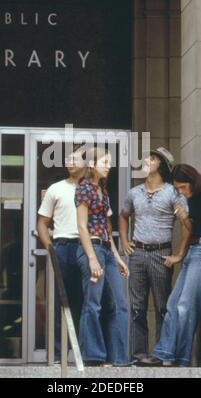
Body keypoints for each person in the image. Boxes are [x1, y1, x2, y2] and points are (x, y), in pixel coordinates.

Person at [152, 164, 201, 367]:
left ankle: (182, 359)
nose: (180, 191)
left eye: (182, 187)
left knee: (185, 306)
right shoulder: (190, 198)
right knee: (172, 305)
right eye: (177, 188)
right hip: (193, 251)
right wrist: (180, 252)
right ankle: (165, 354)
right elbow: (192, 228)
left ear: (192, 181)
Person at [119, 147, 190, 365]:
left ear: (162, 165)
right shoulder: (134, 193)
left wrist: (179, 254)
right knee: (137, 308)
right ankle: (138, 355)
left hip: (162, 254)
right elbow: (123, 217)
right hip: (138, 253)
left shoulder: (173, 192)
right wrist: (124, 241)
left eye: (152, 158)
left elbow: (187, 224)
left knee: (163, 307)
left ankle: (161, 355)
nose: (146, 160)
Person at [75, 146, 130, 366]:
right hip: (92, 249)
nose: (109, 166)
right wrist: (91, 258)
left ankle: (119, 358)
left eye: (109, 162)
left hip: (106, 249)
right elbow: (81, 226)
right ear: (91, 164)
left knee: (119, 304)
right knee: (93, 304)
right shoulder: (84, 189)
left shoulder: (103, 191)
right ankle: (93, 356)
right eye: (104, 162)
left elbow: (107, 230)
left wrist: (117, 258)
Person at [37, 145, 86, 361]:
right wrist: (51, 248)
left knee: (86, 301)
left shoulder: (93, 189)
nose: (70, 162)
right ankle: (58, 353)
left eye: (75, 158)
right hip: (63, 247)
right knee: (60, 301)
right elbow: (42, 223)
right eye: (67, 158)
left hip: (87, 247)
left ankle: (84, 353)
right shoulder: (55, 188)